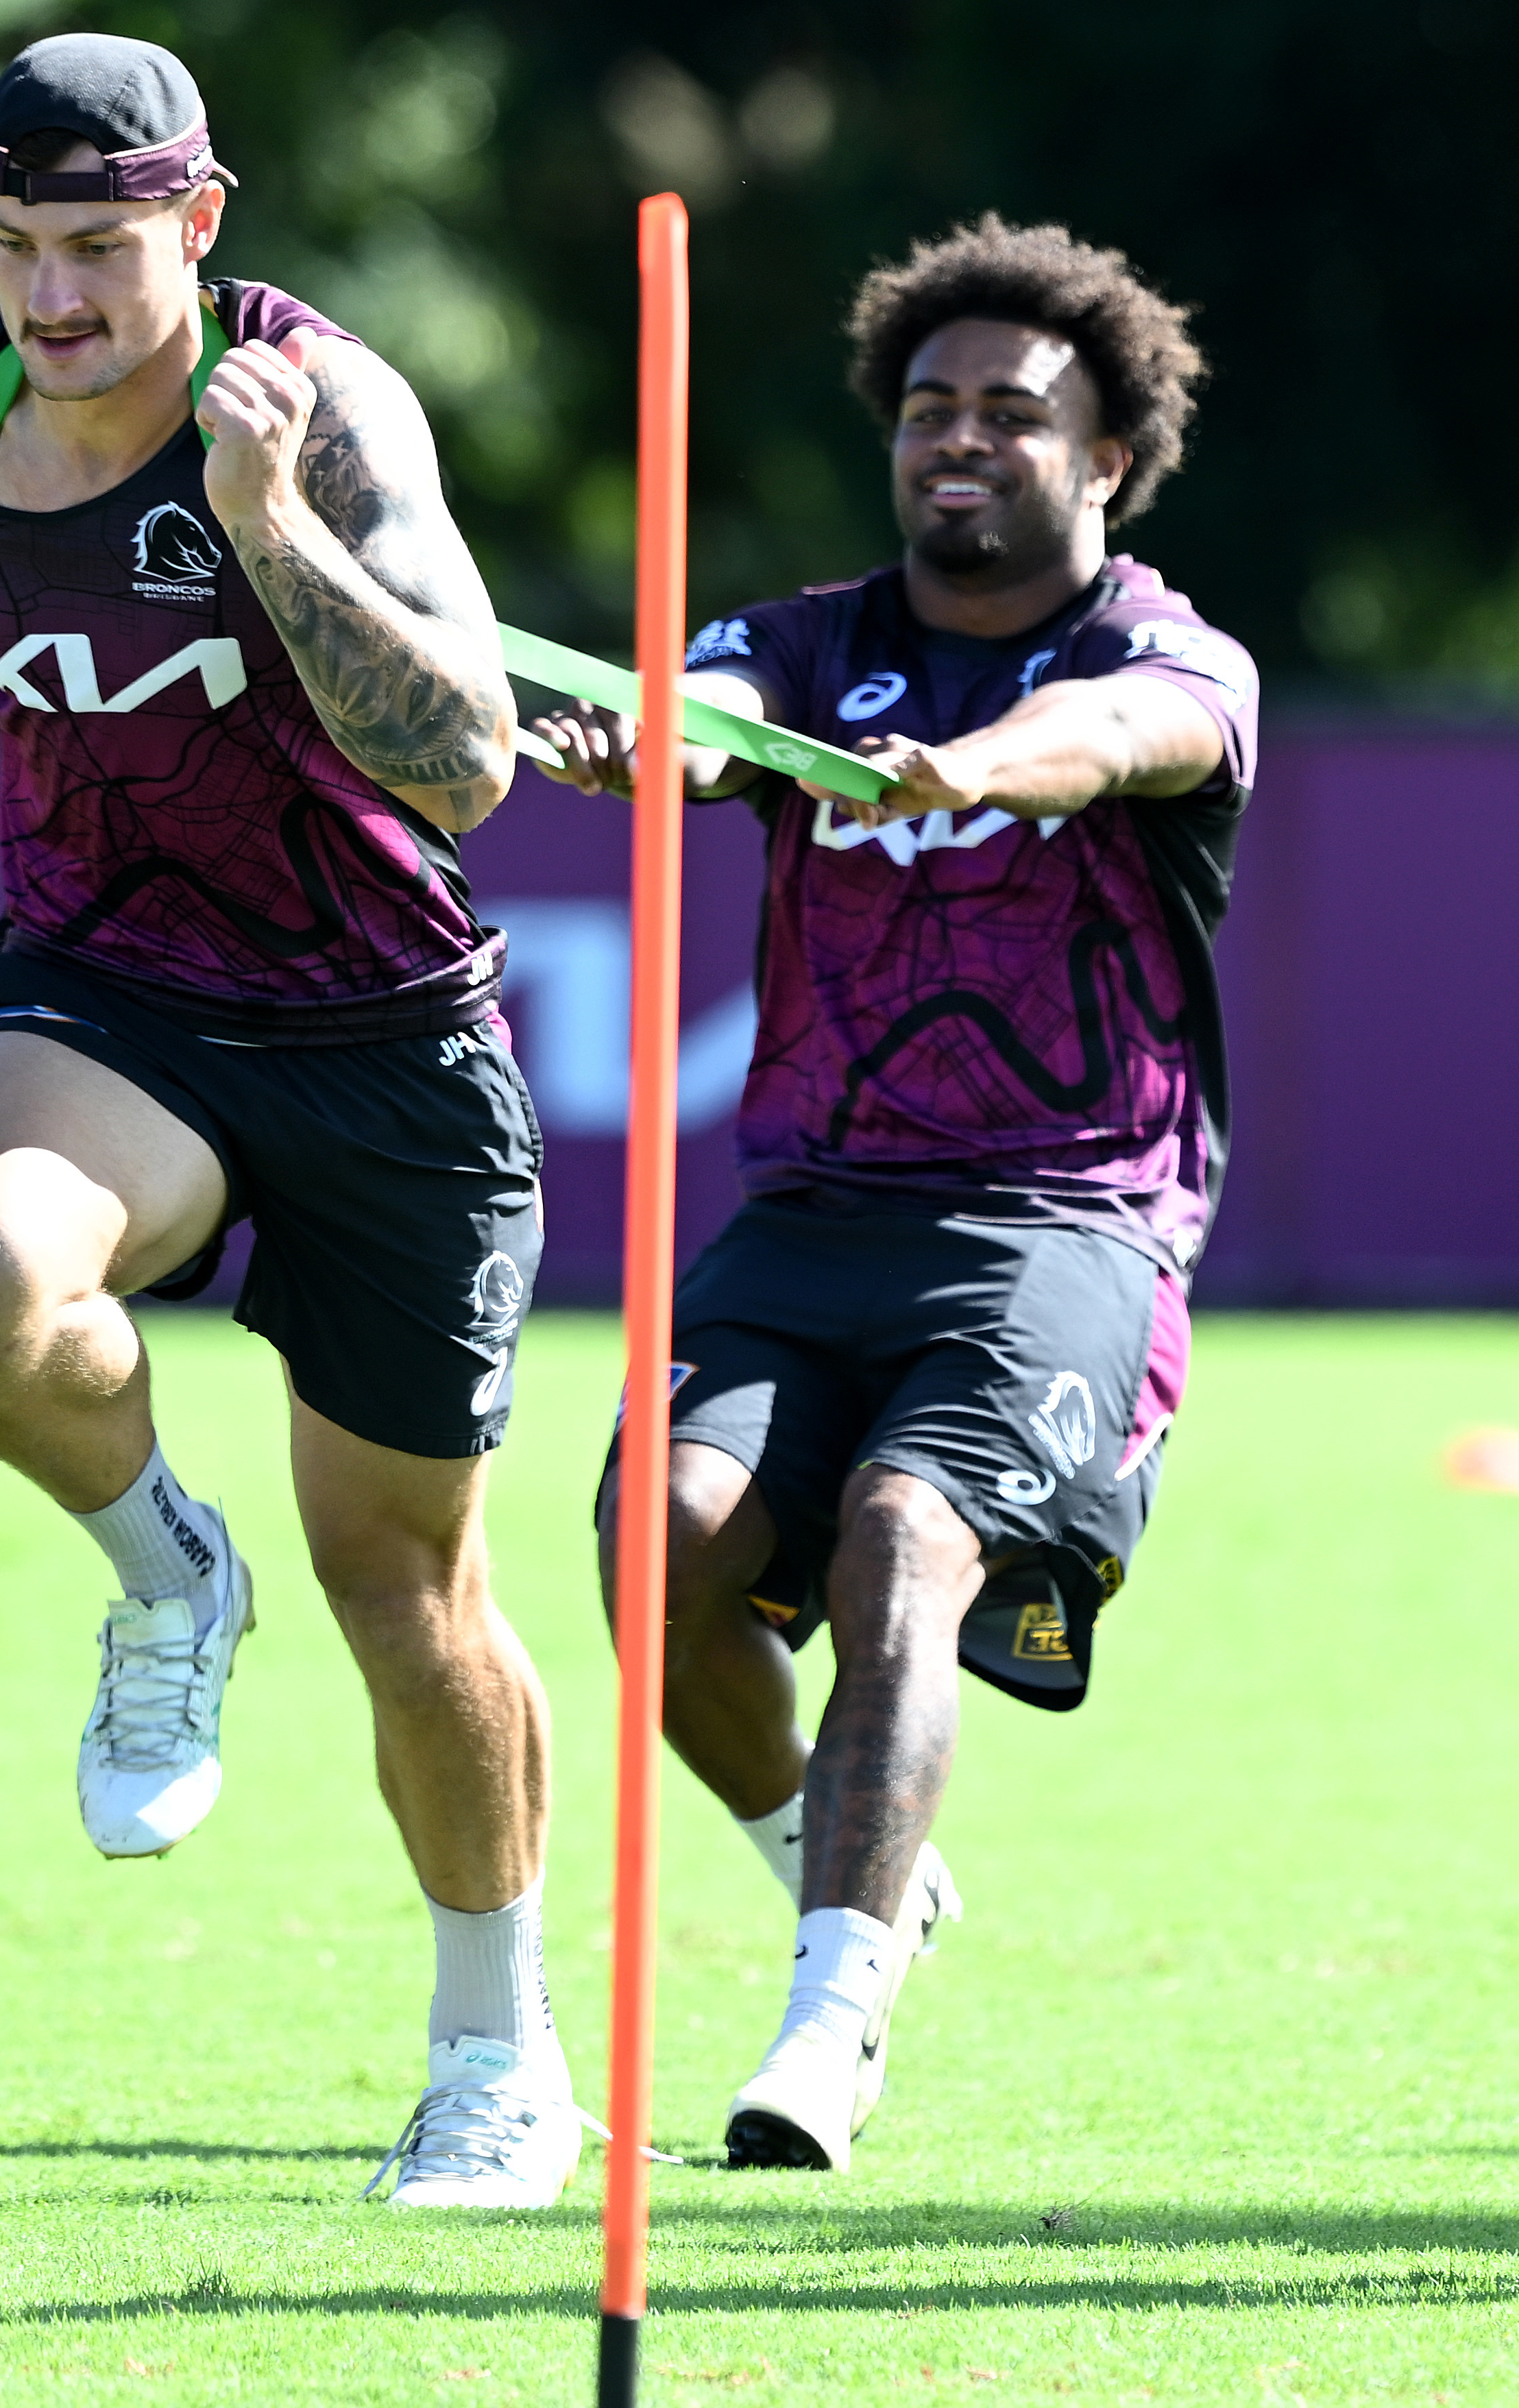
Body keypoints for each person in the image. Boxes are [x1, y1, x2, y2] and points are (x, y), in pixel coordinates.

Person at [0, 36, 576, 2206]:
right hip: (110, 992)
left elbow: (466, 766)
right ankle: (165, 1579)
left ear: (200, 223)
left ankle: (494, 2061)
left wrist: (265, 529)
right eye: (16, 246)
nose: (53, 301)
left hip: (380, 1034)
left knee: (406, 1595)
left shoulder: (323, 407)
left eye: (100, 249)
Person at [528, 218, 1248, 2173]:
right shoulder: (809, 643)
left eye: (1015, 415)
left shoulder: (1162, 651)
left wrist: (982, 768)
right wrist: (638, 751)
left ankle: (829, 2028)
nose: (962, 440)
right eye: (931, 408)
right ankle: (835, 1860)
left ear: (1106, 456)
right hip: (815, 1210)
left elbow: (1122, 739)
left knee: (904, 1540)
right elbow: (704, 717)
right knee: (647, 1544)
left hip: (1065, 1226)